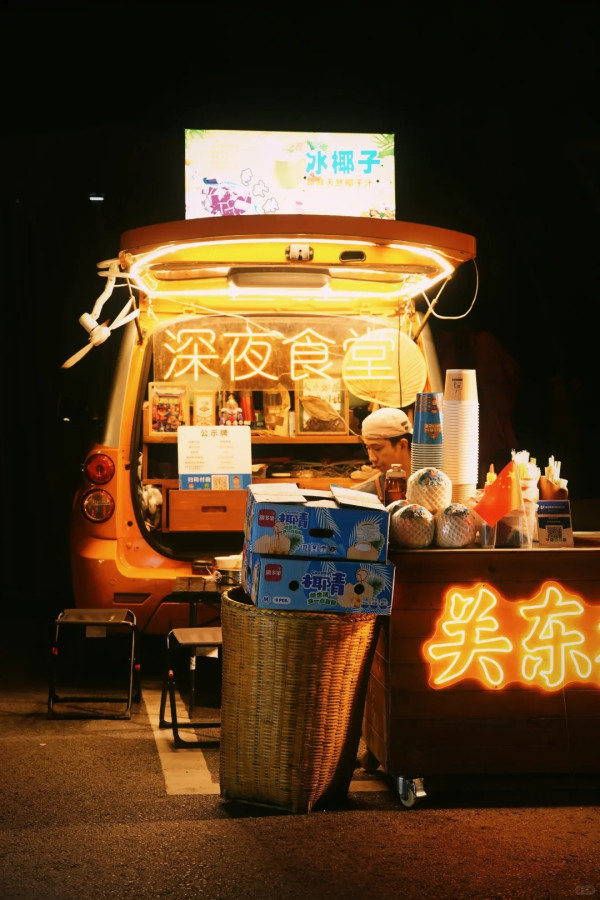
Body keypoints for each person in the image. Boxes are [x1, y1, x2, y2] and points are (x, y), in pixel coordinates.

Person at [355, 407, 413, 501]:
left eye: (377, 449)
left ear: (402, 445)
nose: (372, 458)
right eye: (368, 448)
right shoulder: (362, 496)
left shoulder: (435, 485)